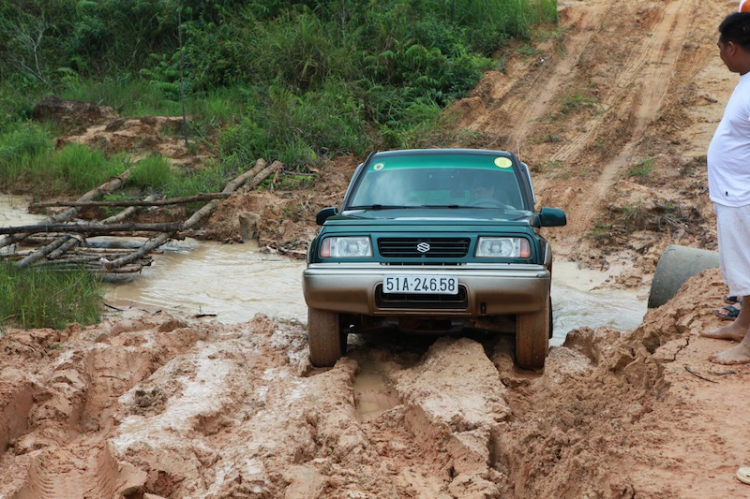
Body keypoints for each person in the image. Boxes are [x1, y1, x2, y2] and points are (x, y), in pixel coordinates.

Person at [699, 11, 750, 365]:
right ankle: (742, 325)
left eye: (720, 47)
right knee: (742, 269)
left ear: (731, 47)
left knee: (749, 268)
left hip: (743, 194)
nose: (719, 54)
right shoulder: (745, 80)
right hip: (733, 192)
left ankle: (749, 345)